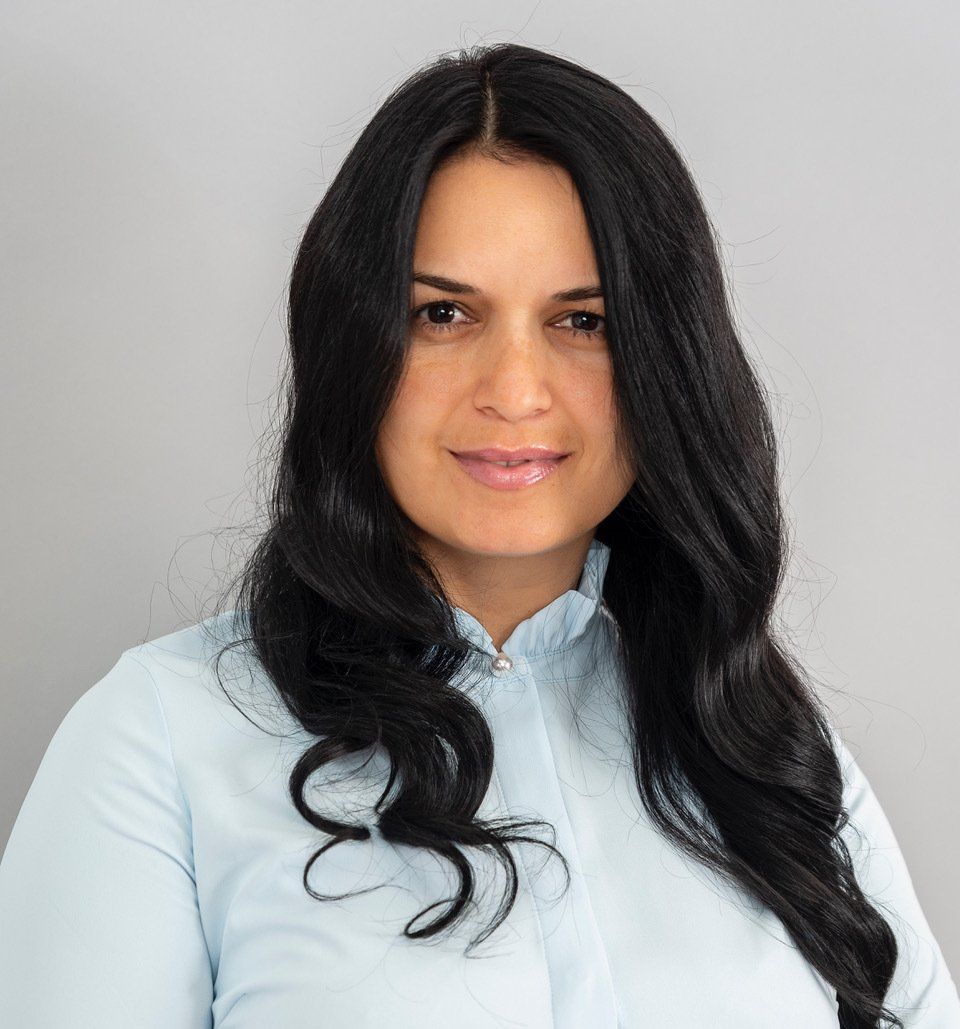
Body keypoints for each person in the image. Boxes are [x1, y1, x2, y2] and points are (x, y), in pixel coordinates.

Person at [1, 42, 957, 1029]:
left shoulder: (764, 750)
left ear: (666, 364)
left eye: (582, 321)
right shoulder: (160, 742)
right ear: (353, 346)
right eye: (444, 313)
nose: (514, 390)